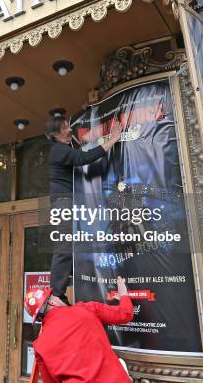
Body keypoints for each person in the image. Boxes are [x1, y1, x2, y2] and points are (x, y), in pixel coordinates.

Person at [45, 116, 122, 305]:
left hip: (70, 202)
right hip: (63, 202)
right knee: (64, 246)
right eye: (65, 127)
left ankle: (59, 293)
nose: (69, 128)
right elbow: (84, 158)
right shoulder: (58, 150)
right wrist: (113, 139)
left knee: (73, 245)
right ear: (56, 134)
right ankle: (55, 294)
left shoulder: (67, 146)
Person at [25, 276, 133, 382]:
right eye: (55, 296)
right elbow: (125, 313)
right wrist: (123, 294)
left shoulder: (40, 346)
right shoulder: (85, 309)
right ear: (51, 301)